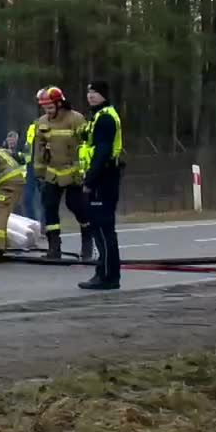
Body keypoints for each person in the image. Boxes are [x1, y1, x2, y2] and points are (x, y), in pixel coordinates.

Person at [32, 86, 91, 260]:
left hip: (73, 173)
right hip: (52, 173)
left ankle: (87, 245)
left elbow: (87, 146)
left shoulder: (76, 119)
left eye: (50, 107)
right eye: (44, 107)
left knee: (77, 206)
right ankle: (54, 248)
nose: (47, 110)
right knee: (50, 207)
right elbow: (39, 149)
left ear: (60, 103)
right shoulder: (42, 122)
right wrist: (39, 173)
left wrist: (85, 172)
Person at [79, 81, 124, 290]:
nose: (90, 96)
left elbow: (102, 151)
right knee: (102, 228)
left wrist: (90, 181)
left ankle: (107, 275)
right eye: (89, 92)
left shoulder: (105, 117)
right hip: (104, 176)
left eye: (95, 92)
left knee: (103, 229)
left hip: (103, 178)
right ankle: (105, 272)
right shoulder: (98, 116)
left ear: (104, 95)